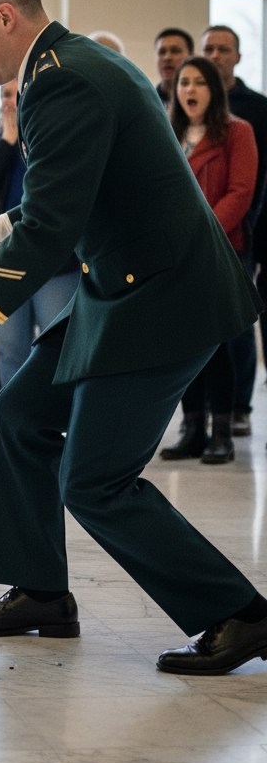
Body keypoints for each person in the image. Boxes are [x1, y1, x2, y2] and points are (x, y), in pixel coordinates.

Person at [0, 0, 267, 675]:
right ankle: (41, 593)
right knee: (21, 416)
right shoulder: (70, 63)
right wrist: (13, 216)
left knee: (94, 481)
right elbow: (86, 185)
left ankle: (239, 614)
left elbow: (55, 230)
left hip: (164, 301)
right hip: (123, 288)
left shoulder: (63, 80)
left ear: (6, 16)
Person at [159, 56, 257, 463]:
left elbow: (240, 192)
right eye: (184, 83)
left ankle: (222, 435)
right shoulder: (167, 133)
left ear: (214, 90)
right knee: (184, 347)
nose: (190, 90)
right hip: (173, 256)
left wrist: (201, 235)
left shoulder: (237, 131)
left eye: (200, 82)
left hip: (219, 252)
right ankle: (193, 430)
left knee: (216, 348)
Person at [0, 77, 79, 387]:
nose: (9, 102)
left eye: (17, 94)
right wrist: (8, 140)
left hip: (57, 263)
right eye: (4, 95)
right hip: (6, 260)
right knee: (11, 350)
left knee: (57, 349)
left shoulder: (54, 140)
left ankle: (52, 428)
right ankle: (13, 431)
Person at [201, 25, 267, 438]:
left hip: (243, 231)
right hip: (197, 239)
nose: (215, 55)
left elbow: (252, 185)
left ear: (238, 57)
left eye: (224, 49)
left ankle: (239, 405)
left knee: (239, 326)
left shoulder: (256, 111)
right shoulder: (189, 111)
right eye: (209, 48)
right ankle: (206, 410)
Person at [154, 28, 194, 108]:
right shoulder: (148, 101)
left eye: (175, 51)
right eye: (162, 52)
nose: (167, 58)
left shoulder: (198, 102)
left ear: (191, 57)